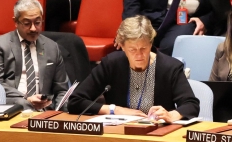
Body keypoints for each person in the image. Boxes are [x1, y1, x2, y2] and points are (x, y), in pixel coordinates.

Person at [68, 15, 200, 121]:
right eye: (132, 49)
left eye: (143, 48)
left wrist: (171, 115)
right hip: (119, 134)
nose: (139, 55)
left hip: (158, 134)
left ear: (151, 44)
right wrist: (115, 109)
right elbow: (76, 101)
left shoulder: (170, 67)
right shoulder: (111, 64)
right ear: (122, 46)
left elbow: (191, 104)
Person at [0, 0, 70, 110]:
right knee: (23, 103)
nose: (33, 28)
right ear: (16, 22)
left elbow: (61, 89)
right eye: (26, 23)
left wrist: (60, 111)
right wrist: (26, 99)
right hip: (14, 107)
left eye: (37, 22)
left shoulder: (52, 47)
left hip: (45, 110)